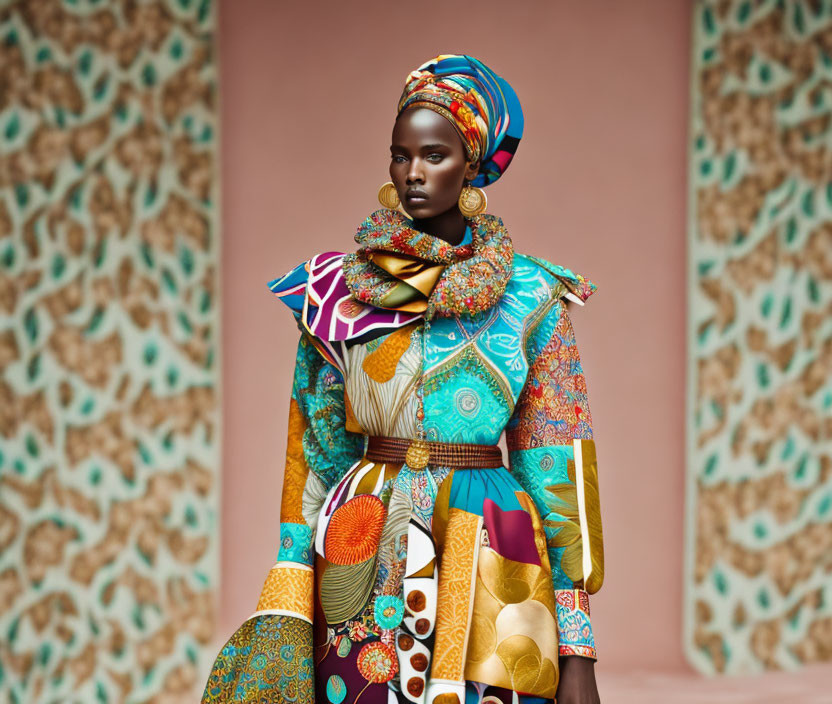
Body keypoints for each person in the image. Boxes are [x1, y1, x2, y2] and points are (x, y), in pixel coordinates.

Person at [203, 54, 604, 704]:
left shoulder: (534, 296)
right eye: (400, 155)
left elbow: (558, 468)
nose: (414, 172)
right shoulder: (335, 291)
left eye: (435, 155)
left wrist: (577, 651)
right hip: (361, 543)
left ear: (472, 166)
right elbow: (313, 453)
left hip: (492, 552)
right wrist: (289, 598)